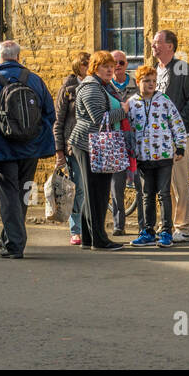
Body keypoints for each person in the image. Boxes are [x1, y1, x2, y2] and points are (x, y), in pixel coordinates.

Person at [0, 41, 56, 259]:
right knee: (23, 192)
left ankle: (15, 244)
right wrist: (36, 139)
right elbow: (49, 114)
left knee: (8, 195)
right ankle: (8, 237)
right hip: (29, 148)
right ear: (19, 57)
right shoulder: (34, 80)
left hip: (0, 148)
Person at [68, 50, 127, 251]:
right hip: (89, 144)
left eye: (112, 66)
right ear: (95, 68)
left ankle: (88, 238)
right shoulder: (91, 87)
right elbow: (100, 119)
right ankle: (100, 240)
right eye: (105, 66)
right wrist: (124, 111)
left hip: (96, 144)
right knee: (97, 193)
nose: (111, 69)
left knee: (96, 192)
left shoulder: (101, 85)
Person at [126, 64, 188, 249]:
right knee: (147, 195)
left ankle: (166, 231)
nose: (151, 84)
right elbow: (127, 128)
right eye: (146, 81)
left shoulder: (164, 100)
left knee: (163, 194)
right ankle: (147, 231)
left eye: (153, 81)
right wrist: (129, 151)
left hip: (163, 155)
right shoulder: (132, 103)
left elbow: (177, 123)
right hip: (143, 157)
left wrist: (180, 147)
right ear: (138, 82)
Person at [152, 30, 189, 243]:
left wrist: (176, 120)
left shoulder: (182, 68)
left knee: (179, 183)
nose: (153, 46)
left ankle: (183, 228)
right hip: (158, 137)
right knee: (163, 185)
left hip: (179, 136)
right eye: (153, 42)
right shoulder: (155, 70)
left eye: (157, 42)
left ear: (170, 46)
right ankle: (167, 226)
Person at [54, 51, 90, 246]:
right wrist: (59, 150)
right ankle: (76, 230)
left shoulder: (99, 85)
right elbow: (58, 122)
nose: (88, 67)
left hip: (94, 145)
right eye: (85, 64)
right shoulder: (68, 89)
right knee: (79, 189)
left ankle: (90, 226)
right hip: (73, 146)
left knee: (90, 189)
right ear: (78, 66)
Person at [105, 51, 139, 236]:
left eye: (121, 62)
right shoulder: (105, 86)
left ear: (126, 64)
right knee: (116, 185)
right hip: (115, 140)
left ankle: (144, 224)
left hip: (135, 139)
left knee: (140, 184)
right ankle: (119, 224)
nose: (117, 65)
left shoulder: (137, 84)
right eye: (113, 62)